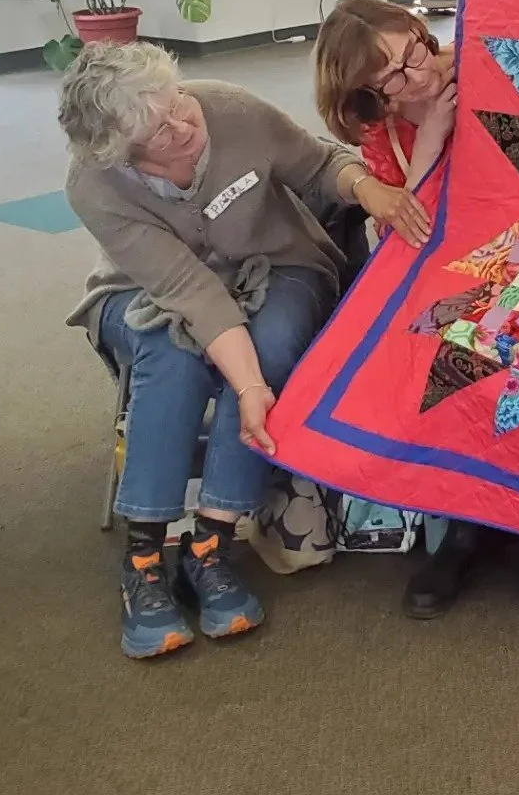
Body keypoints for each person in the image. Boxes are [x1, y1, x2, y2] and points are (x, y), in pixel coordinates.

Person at [61, 41, 426, 660]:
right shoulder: (95, 186)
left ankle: (212, 542)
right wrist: (249, 386)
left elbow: (316, 166)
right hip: (148, 288)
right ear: (122, 153)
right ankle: (144, 555)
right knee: (171, 358)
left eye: (176, 100)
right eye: (160, 129)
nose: (185, 123)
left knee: (275, 341)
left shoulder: (229, 109)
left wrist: (369, 191)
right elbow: (187, 291)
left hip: (278, 262)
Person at [314, 0, 519, 615]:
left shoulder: (485, 66)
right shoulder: (384, 128)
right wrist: (429, 135)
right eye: (393, 78)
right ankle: (462, 522)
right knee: (423, 344)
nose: (419, 73)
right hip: (449, 263)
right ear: (366, 96)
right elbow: (407, 225)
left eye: (415, 47)